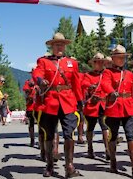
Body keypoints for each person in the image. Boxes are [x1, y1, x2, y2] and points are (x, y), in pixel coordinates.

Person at [32, 32, 83, 177]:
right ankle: (49, 165)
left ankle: (69, 166)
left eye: (61, 44)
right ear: (52, 46)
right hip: (51, 101)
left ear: (65, 46)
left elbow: (76, 83)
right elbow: (37, 73)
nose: (59, 46)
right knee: (49, 134)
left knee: (69, 134)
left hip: (68, 101)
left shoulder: (72, 63)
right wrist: (40, 81)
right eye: (56, 44)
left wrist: (80, 101)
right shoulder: (44, 61)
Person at [101, 45, 133, 176]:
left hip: (129, 108)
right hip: (114, 106)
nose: (121, 59)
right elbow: (105, 84)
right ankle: (113, 162)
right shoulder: (107, 72)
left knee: (131, 135)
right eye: (119, 57)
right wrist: (111, 92)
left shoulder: (129, 74)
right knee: (113, 135)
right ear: (113, 58)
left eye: (123, 57)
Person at [81, 52, 110, 160]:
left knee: (105, 127)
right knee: (90, 127)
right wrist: (90, 86)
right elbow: (83, 83)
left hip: (103, 104)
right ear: (93, 63)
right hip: (92, 105)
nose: (99, 64)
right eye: (97, 62)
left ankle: (107, 150)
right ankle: (90, 148)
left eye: (101, 62)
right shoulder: (88, 75)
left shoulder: (107, 74)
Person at [23, 78, 37, 147]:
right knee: (33, 124)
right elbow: (26, 95)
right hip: (33, 107)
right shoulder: (28, 82)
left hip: (33, 107)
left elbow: (26, 95)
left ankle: (33, 141)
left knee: (31, 124)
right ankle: (33, 141)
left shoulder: (28, 81)